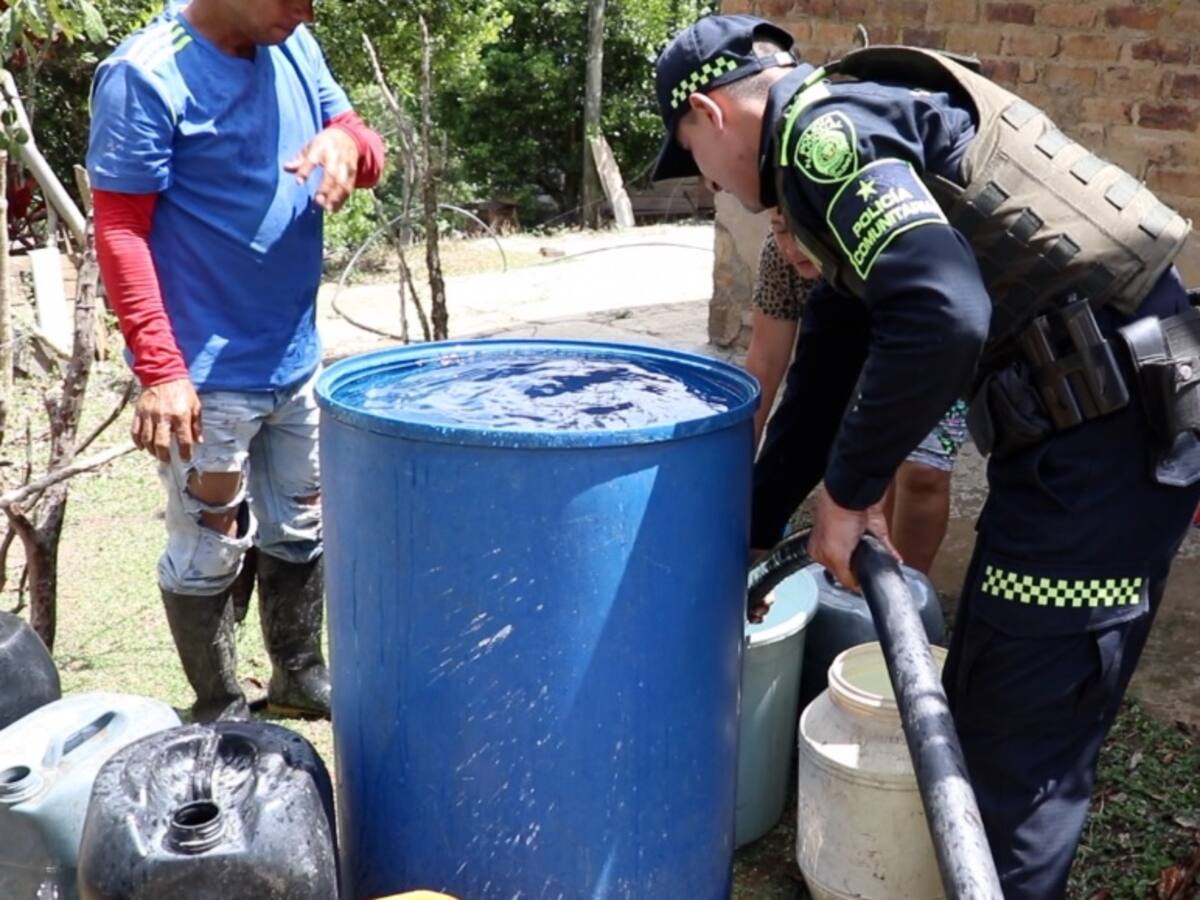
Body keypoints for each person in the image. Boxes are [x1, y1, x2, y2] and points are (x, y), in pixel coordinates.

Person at [652, 14, 1199, 898]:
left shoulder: (818, 138)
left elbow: (943, 313)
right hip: (1085, 442)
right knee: (995, 712)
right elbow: (833, 354)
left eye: (694, 163)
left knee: (1011, 759)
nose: (717, 189)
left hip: (1099, 454)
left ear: (711, 117)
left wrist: (850, 489)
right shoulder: (857, 124)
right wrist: (753, 530)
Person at [87, 0, 385, 722]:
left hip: (295, 356)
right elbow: (121, 230)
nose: (306, 10)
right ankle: (219, 705)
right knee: (209, 541)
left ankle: (296, 675)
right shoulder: (145, 74)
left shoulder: (291, 41)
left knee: (301, 523)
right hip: (205, 377)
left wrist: (349, 149)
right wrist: (160, 369)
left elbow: (356, 137)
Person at [745, 225, 969, 573]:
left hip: (921, 340)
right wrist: (737, 471)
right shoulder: (779, 257)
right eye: (779, 231)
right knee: (797, 455)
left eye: (798, 230)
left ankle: (904, 598)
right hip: (842, 352)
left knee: (923, 473)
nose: (792, 247)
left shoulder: (884, 253)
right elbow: (765, 362)